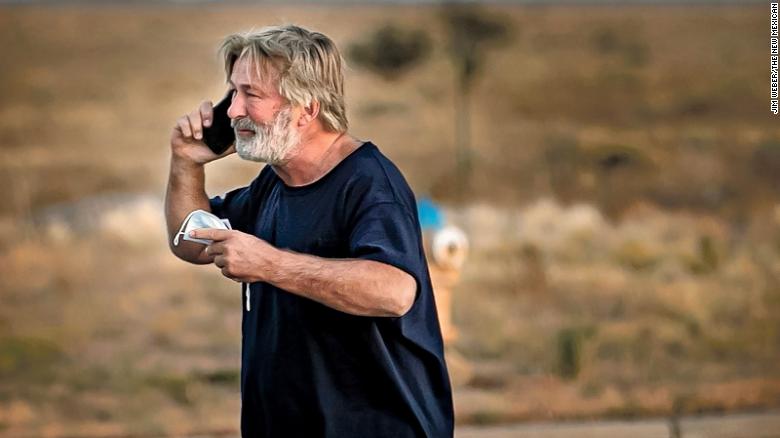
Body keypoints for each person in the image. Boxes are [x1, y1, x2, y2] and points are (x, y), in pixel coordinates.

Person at [164, 24, 454, 437]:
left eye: (252, 95)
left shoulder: (369, 183)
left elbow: (394, 291)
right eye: (234, 92)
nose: (232, 111)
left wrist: (270, 265)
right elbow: (191, 241)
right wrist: (186, 163)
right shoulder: (273, 184)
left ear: (307, 108)